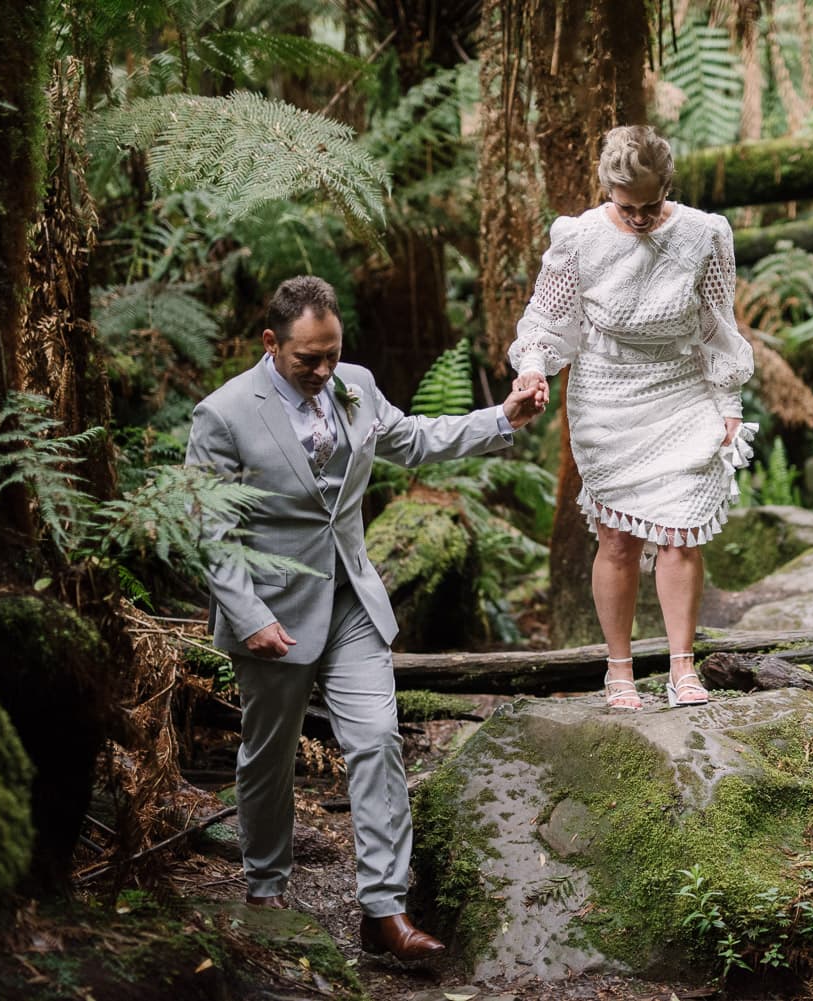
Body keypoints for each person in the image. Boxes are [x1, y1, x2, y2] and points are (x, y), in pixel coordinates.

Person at [186, 276, 543, 961]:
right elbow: (211, 529)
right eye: (307, 360)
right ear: (271, 343)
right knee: (270, 758)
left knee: (378, 739)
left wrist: (503, 417)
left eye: (331, 354)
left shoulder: (355, 383)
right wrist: (248, 612)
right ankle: (265, 889)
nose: (323, 372)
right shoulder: (223, 414)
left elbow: (414, 438)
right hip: (272, 614)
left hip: (351, 596)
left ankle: (383, 910)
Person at [509, 124, 755, 711]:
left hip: (682, 389)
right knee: (618, 539)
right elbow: (546, 318)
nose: (640, 219)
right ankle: (619, 672)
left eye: (651, 205)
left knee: (680, 533)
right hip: (606, 393)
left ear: (667, 187)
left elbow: (717, 324)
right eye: (628, 207)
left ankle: (682, 669)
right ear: (606, 191)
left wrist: (728, 404)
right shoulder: (579, 237)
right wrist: (536, 367)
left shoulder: (704, 233)